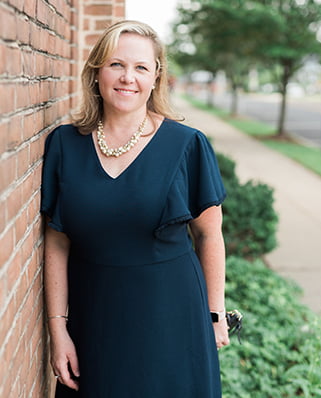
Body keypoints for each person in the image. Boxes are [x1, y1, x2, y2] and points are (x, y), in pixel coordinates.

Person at [41, 20, 229, 398]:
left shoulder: (187, 144)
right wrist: (57, 329)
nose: (128, 78)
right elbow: (57, 240)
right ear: (96, 72)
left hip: (173, 317)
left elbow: (209, 234)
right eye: (116, 64)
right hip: (95, 319)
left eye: (141, 67)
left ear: (156, 77)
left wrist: (214, 315)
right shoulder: (63, 144)